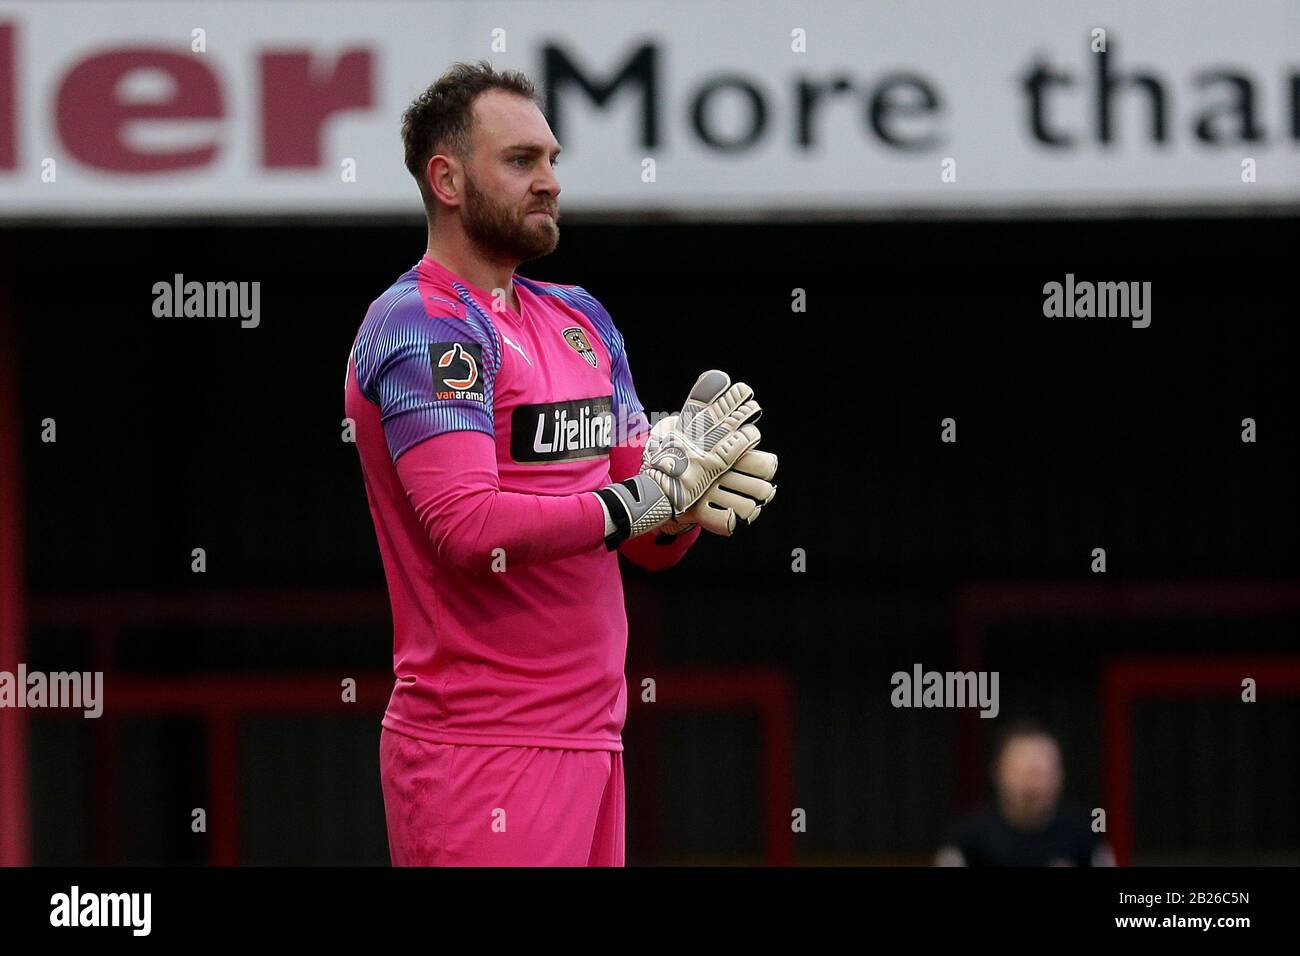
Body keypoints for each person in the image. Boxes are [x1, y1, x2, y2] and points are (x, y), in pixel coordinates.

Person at [344, 61, 778, 866]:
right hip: (476, 748)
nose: (548, 182)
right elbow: (468, 529)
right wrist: (637, 498)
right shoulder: (420, 324)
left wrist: (683, 502)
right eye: (520, 162)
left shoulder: (582, 318)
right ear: (446, 178)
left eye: (551, 161)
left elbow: (645, 539)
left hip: (594, 736)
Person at [935, 720, 1117, 867]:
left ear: (1060, 775)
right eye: (1022, 770)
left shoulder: (1083, 833)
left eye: (1044, 770)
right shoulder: (967, 837)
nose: (1033, 782)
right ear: (997, 772)